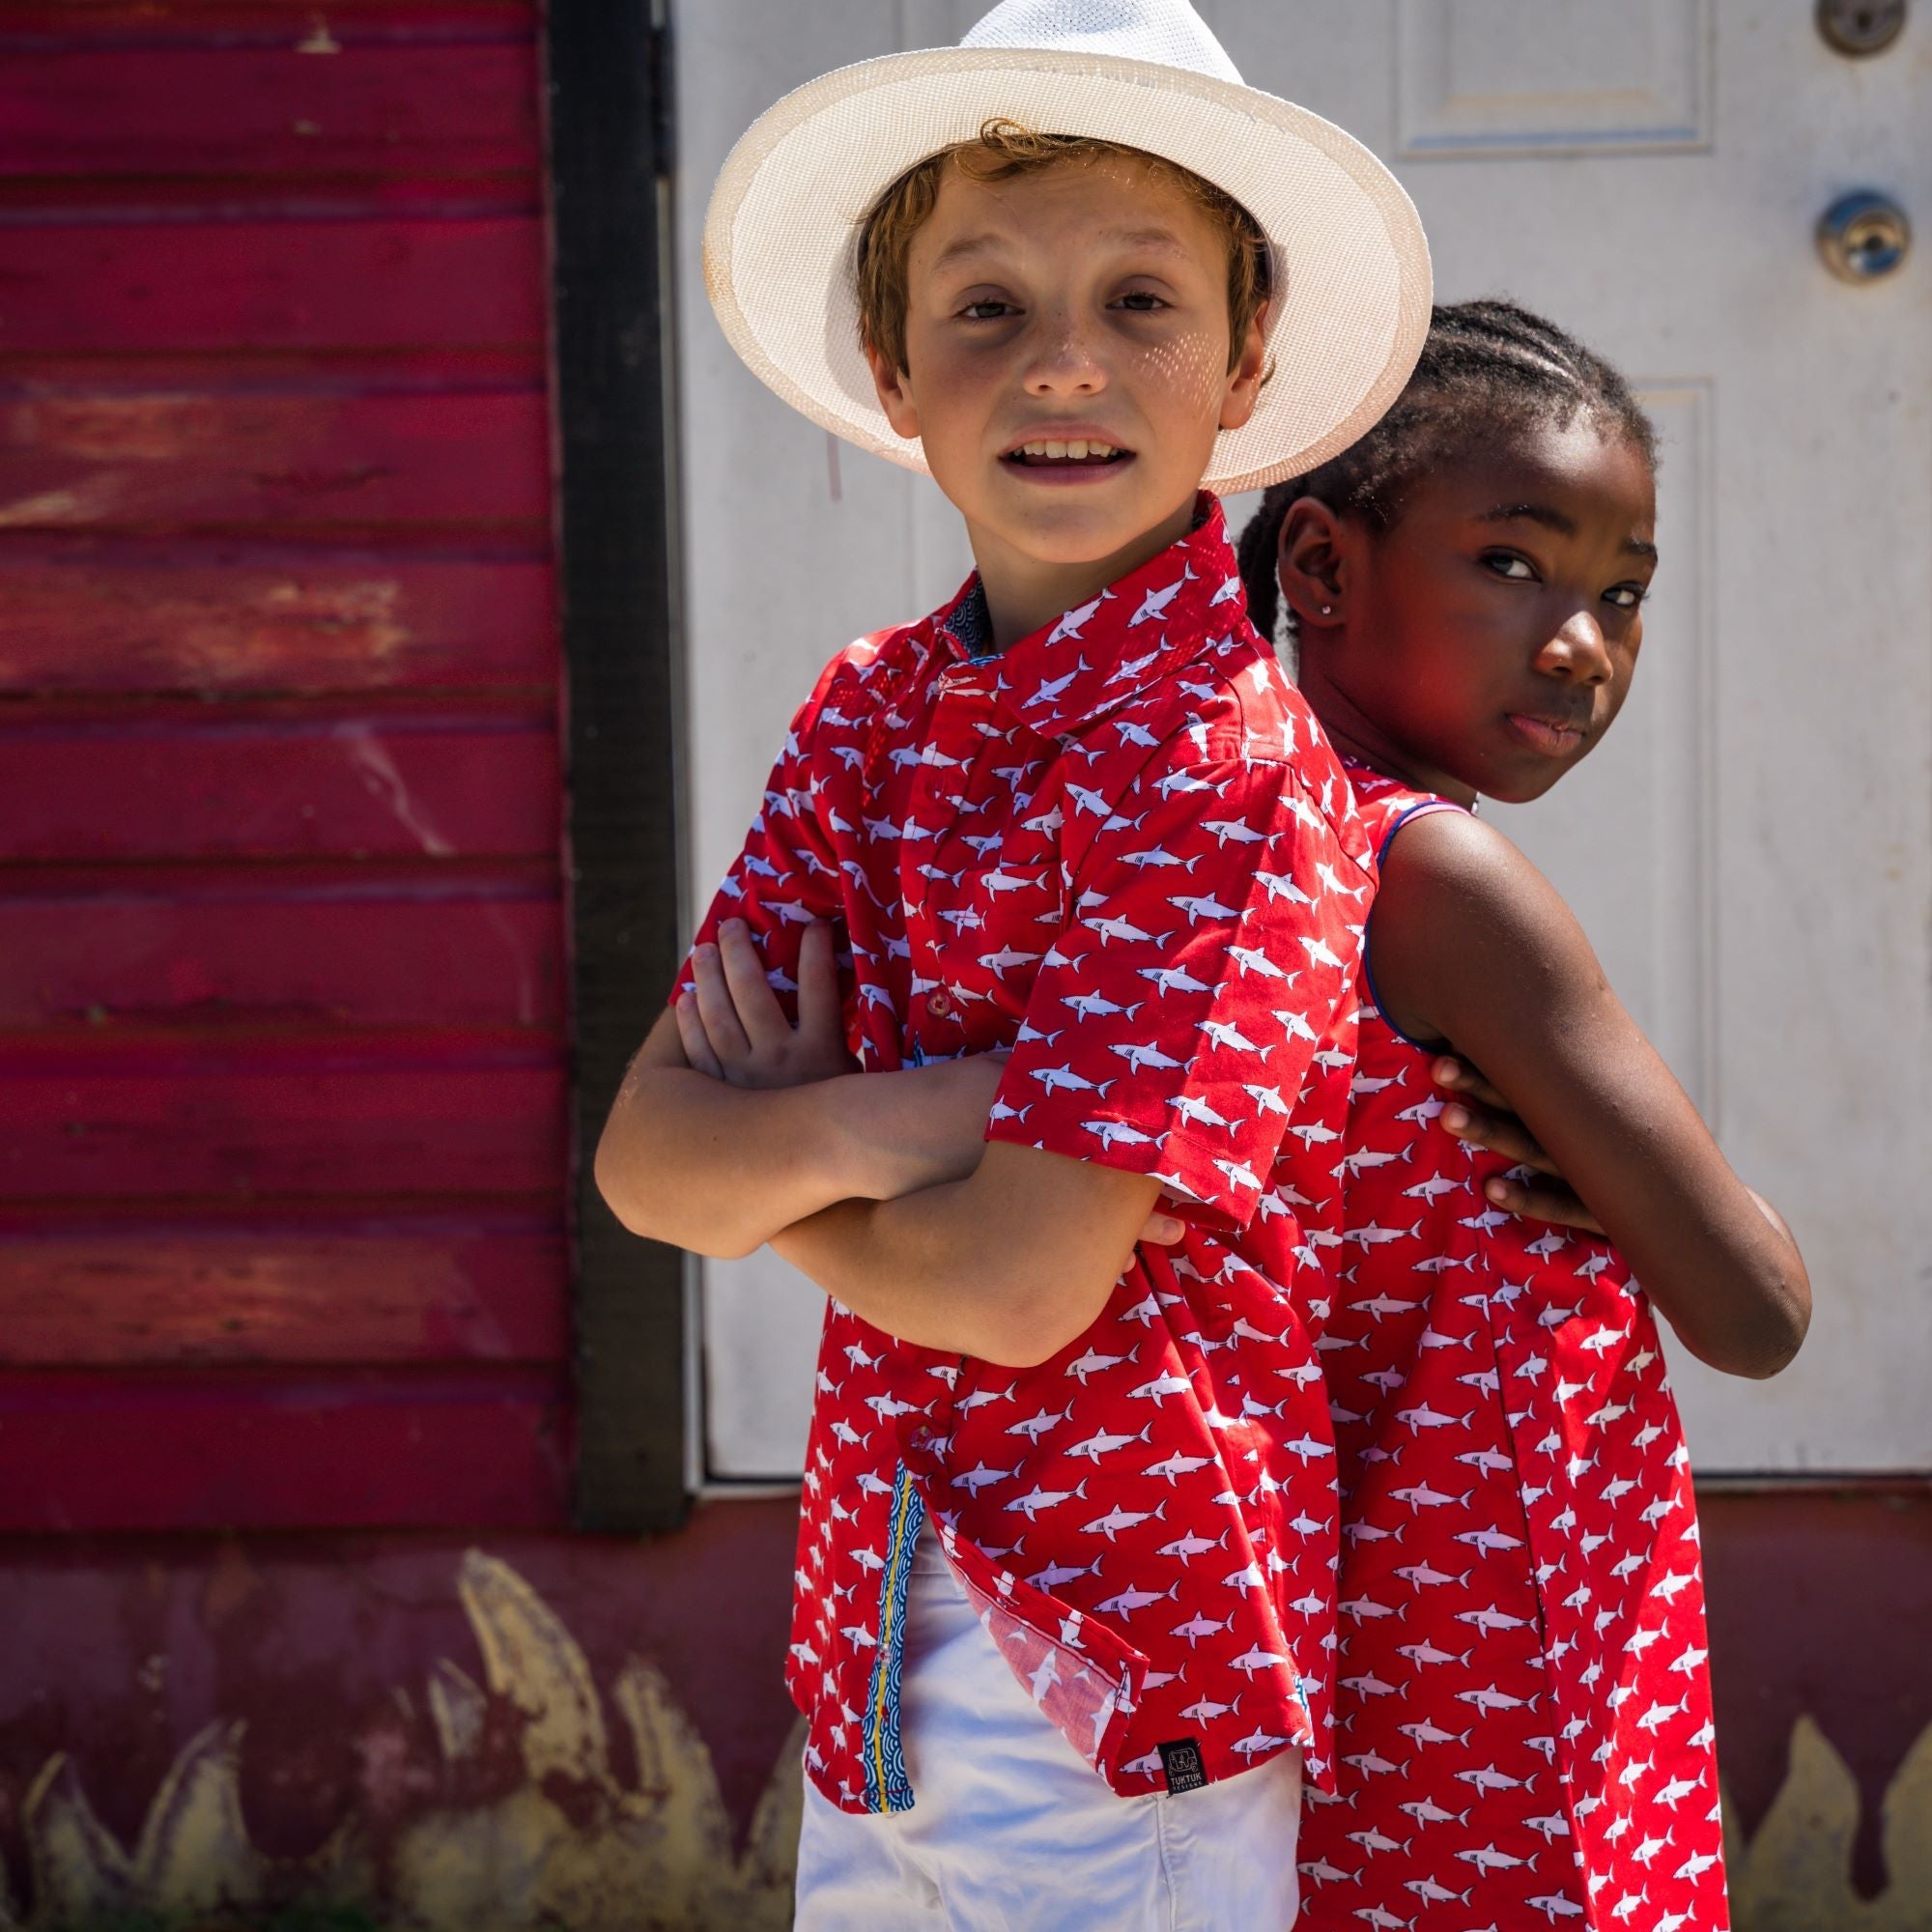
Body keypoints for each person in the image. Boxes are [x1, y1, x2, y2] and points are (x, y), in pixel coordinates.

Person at [594, 1, 1434, 1922]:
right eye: (985, 307)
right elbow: (644, 1161)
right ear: (893, 368)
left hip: (1121, 1685)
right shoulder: (868, 718)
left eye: (1141, 301)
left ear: (1244, 366)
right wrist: (933, 1116)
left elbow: (1018, 1286)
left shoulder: (1222, 773)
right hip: (875, 1634)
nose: (1063, 360)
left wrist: (791, 1143)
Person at [1234, 298, 1812, 1927]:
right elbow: (1756, 1308)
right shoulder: (1437, 874)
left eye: (1623, 594)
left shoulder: (1245, 840)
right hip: (1507, 1627)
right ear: (1323, 569)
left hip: (1334, 1610)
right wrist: (1614, 1181)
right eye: (1515, 564)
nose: (1582, 640)